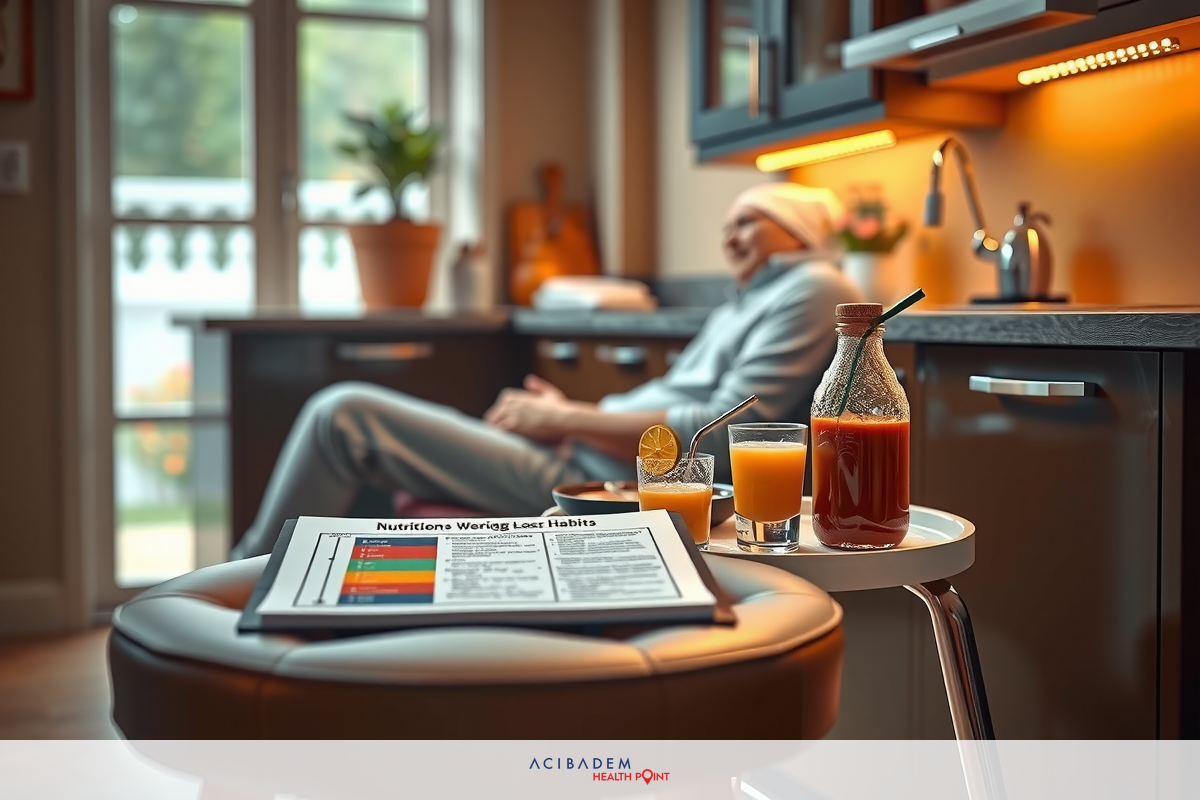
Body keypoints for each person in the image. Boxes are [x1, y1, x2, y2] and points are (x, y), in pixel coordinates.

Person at [230, 182, 863, 558]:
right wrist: (572, 418)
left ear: (798, 227)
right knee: (356, 419)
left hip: (597, 485)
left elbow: (719, 433)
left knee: (343, 416)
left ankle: (243, 581)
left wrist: (566, 419)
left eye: (747, 221)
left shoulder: (812, 286)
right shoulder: (753, 299)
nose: (729, 238)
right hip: (587, 455)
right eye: (726, 226)